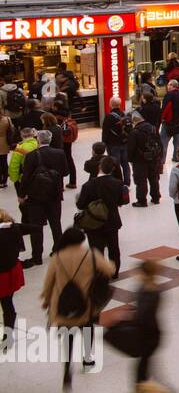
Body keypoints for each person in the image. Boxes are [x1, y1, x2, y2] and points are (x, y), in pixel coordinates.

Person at [40, 228, 114, 393]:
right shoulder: (91, 255)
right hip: (86, 305)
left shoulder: (57, 257)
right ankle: (87, 360)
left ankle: (67, 370)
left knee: (68, 337)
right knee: (87, 330)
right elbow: (110, 270)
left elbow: (48, 282)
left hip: (63, 306)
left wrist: (46, 300)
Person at [19, 129, 68, 267]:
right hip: (55, 194)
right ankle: (58, 250)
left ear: (38, 140)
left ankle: (37, 257)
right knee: (55, 223)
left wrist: (21, 194)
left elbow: (26, 178)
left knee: (36, 226)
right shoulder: (60, 153)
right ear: (50, 139)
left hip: (36, 196)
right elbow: (65, 171)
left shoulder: (31, 156)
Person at [75, 155, 127, 277]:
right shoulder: (118, 183)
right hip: (112, 221)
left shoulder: (88, 185)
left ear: (99, 167)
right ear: (113, 169)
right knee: (114, 248)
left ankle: (99, 274)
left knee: (96, 250)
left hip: (93, 222)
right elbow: (121, 202)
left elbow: (81, 205)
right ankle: (114, 272)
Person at [0, 209, 38, 349]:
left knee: (6, 303)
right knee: (7, 303)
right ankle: (8, 335)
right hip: (11, 272)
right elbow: (35, 228)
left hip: (2, 276)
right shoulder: (14, 228)